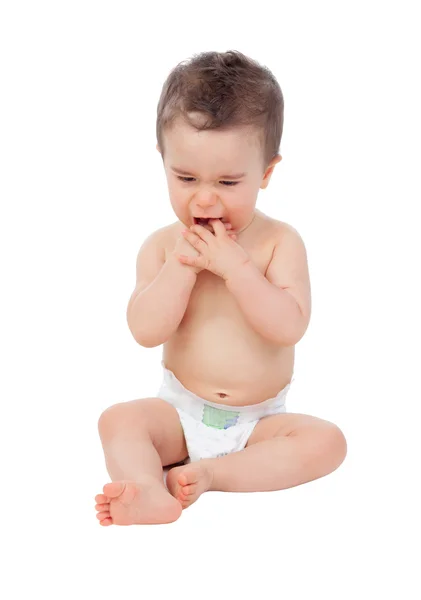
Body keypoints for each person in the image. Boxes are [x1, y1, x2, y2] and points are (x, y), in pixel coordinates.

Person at [94, 50, 347, 526]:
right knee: (118, 420)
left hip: (260, 425)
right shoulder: (162, 247)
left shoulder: (278, 243)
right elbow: (145, 332)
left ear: (266, 174)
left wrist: (238, 270)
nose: (204, 198)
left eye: (229, 182)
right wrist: (181, 269)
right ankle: (150, 491)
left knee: (327, 442)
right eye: (185, 178)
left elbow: (289, 326)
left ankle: (213, 474)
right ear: (163, 163)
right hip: (179, 411)